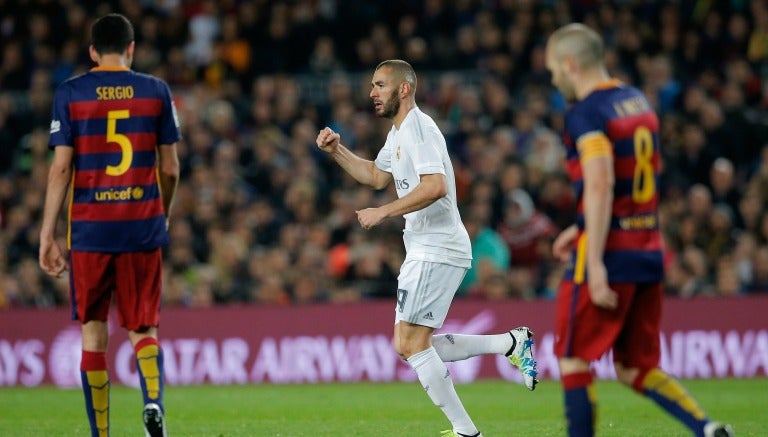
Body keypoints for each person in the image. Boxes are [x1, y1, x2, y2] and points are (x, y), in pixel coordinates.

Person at [316, 59, 538, 437]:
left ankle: (466, 431)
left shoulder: (419, 128)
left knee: (410, 344)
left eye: (380, 85)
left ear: (404, 89)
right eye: (372, 84)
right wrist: (338, 151)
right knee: (410, 344)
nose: (372, 92)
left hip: (437, 247)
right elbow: (374, 176)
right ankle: (511, 342)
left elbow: (435, 185)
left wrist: (383, 212)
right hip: (425, 247)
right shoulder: (400, 133)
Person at [545, 23, 733, 437]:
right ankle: (707, 428)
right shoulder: (636, 101)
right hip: (647, 247)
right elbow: (633, 184)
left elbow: (601, 181)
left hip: (609, 252)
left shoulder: (586, 113)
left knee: (574, 358)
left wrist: (592, 259)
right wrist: (579, 228)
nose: (553, 79)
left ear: (571, 64)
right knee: (634, 367)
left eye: (554, 70)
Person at [39, 13, 180, 437]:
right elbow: (170, 168)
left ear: (92, 52)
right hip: (140, 225)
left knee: (93, 332)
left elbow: (61, 169)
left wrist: (47, 233)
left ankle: (101, 433)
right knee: (143, 327)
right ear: (132, 49)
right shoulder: (156, 91)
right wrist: (163, 211)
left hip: (90, 230)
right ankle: (152, 403)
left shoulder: (70, 93)